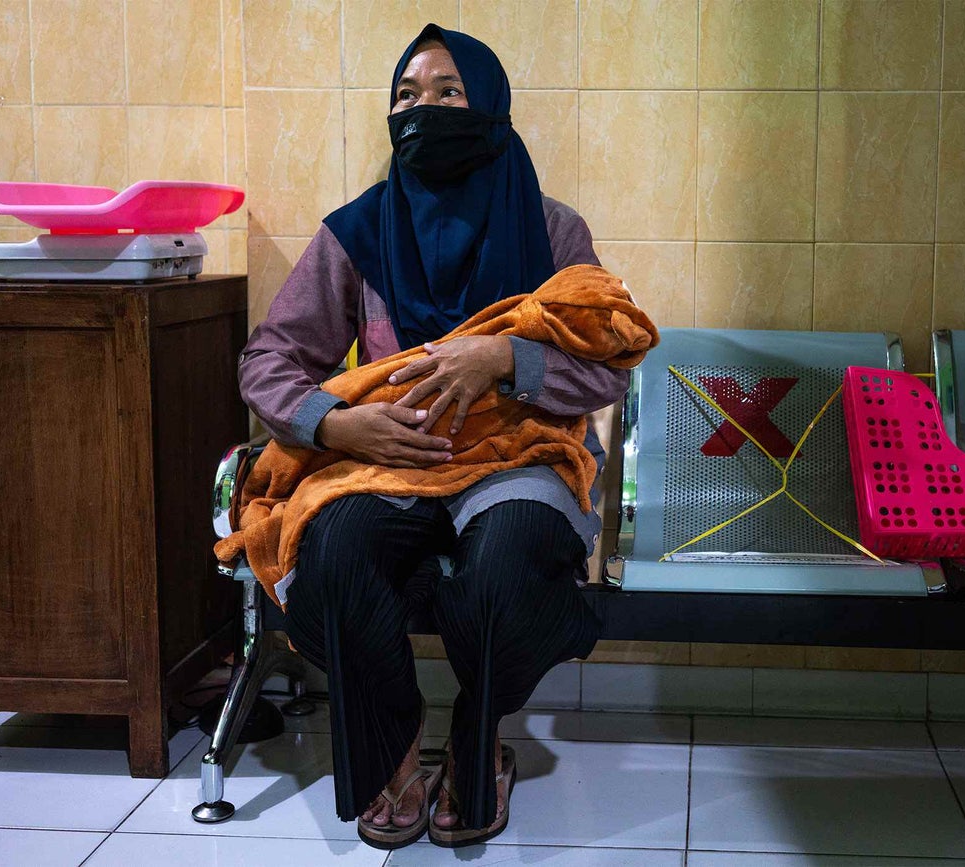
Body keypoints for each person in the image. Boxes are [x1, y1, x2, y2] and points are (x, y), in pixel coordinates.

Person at [237, 23, 629, 849]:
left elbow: (607, 372)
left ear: (489, 106)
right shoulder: (359, 232)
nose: (425, 110)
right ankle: (395, 743)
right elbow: (271, 357)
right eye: (406, 97)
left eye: (449, 93)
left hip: (515, 458)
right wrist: (340, 422)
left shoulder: (554, 234)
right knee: (334, 553)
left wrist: (504, 356)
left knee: (509, 558)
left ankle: (479, 738)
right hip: (385, 463)